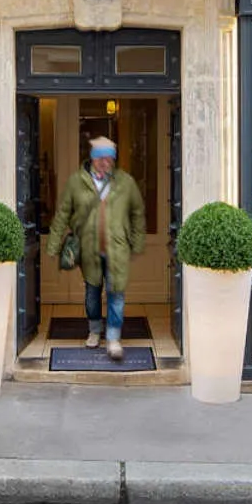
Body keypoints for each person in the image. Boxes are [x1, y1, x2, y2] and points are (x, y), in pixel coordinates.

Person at [45, 136, 146, 361]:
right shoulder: (76, 182)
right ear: (93, 158)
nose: (105, 162)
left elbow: (137, 212)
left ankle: (113, 337)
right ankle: (94, 330)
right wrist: (53, 245)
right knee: (92, 293)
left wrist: (137, 241)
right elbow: (62, 214)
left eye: (109, 158)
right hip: (89, 249)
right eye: (101, 158)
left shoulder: (125, 182)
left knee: (116, 293)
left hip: (117, 249)